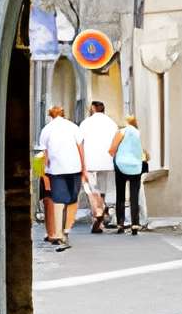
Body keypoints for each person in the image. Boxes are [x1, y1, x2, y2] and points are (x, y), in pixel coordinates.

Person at [36, 103, 85, 251]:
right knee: (72, 199)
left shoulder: (46, 129)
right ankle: (66, 230)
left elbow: (43, 154)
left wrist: (43, 173)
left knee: (58, 200)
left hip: (55, 169)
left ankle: (58, 233)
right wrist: (84, 168)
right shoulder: (73, 127)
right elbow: (80, 148)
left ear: (50, 115)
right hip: (74, 167)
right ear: (63, 113)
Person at [80, 98, 119, 233]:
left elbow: (80, 142)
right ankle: (101, 212)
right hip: (107, 161)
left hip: (89, 160)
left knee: (91, 189)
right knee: (102, 189)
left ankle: (97, 212)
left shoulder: (85, 123)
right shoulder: (112, 123)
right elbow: (116, 141)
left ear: (93, 109)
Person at [110, 112, 147, 235]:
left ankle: (121, 223)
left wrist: (115, 156)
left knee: (120, 194)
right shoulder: (139, 133)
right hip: (136, 166)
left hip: (121, 166)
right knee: (134, 195)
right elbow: (145, 152)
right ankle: (135, 224)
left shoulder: (121, 132)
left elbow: (112, 149)